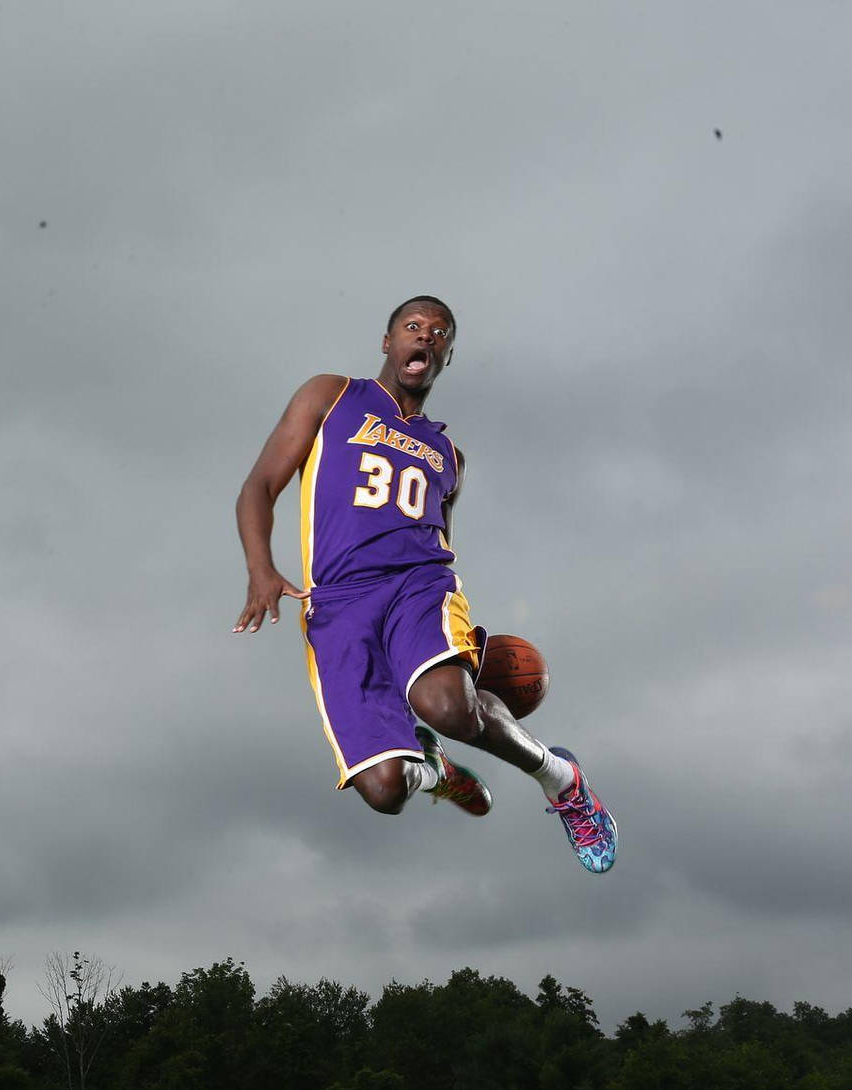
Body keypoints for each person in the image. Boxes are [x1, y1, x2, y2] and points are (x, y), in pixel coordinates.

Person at [231, 297, 617, 873]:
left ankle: (562, 780)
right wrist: (261, 569)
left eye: (439, 334)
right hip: (338, 604)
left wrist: (454, 651)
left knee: (446, 707)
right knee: (385, 792)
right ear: (387, 342)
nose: (426, 338)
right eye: (413, 327)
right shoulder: (331, 395)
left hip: (419, 587)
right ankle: (435, 770)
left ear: (447, 357)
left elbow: (440, 543)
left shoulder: (449, 456)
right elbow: (259, 485)